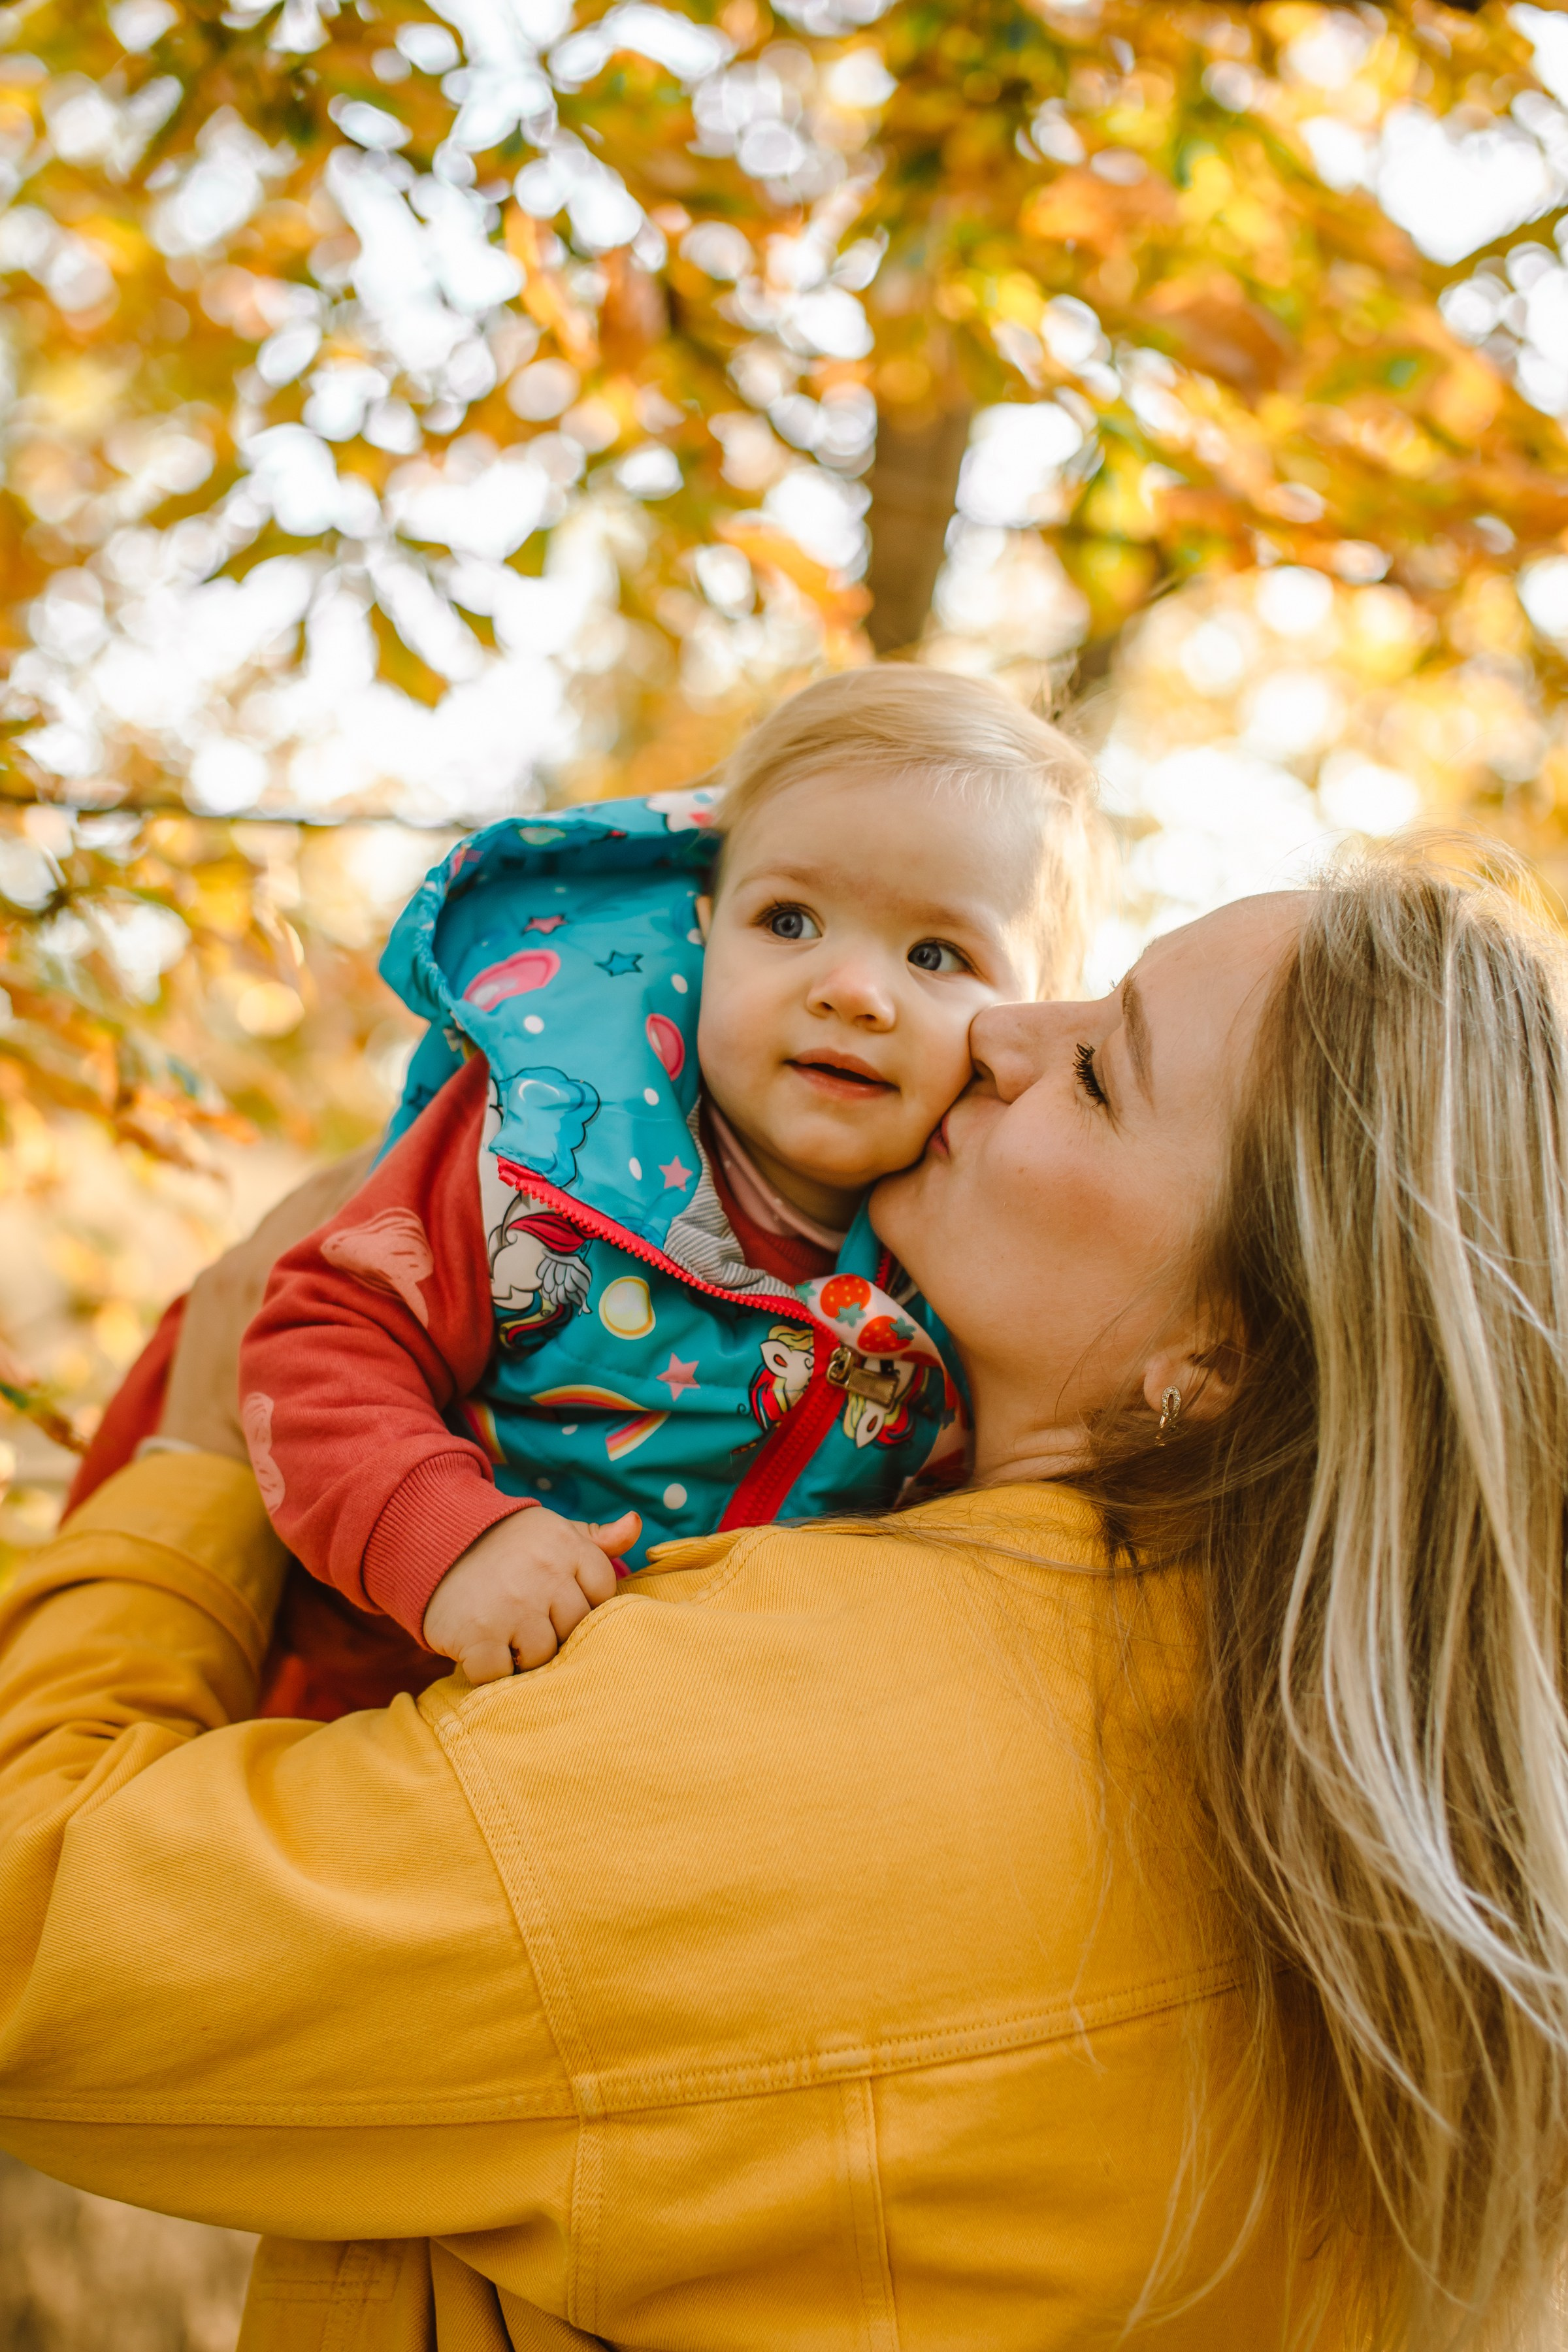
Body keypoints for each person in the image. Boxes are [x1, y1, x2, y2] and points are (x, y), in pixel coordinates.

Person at [3, 854, 1567, 2348]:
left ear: (1216, 1366)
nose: (1006, 1031)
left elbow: (35, 1939)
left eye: (1099, 1072)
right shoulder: (1381, 1857)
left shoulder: (792, 1748)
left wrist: (209, 1442)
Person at [66, 666, 1102, 1711]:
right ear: (706, 930)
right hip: (365, 1691)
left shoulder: (975, 1274)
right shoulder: (539, 1143)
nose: (853, 990)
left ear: (1026, 1023)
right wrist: (447, 1535)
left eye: (937, 952)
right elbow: (320, 1342)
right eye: (789, 921)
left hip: (665, 1754)